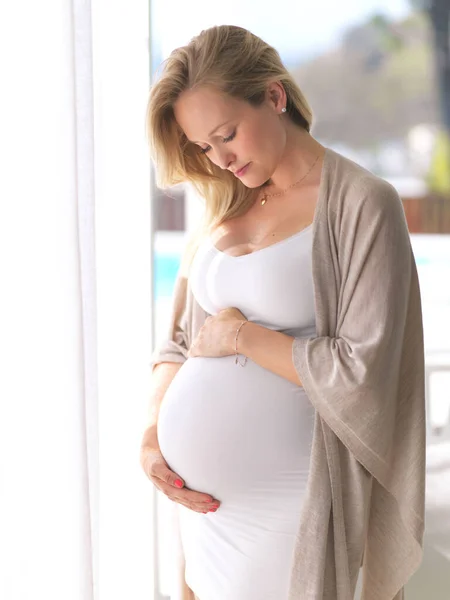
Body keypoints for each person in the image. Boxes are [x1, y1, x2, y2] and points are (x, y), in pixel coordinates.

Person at [140, 25, 426, 600]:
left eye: (227, 135)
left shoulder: (363, 203)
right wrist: (152, 436)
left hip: (294, 507)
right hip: (208, 517)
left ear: (274, 97)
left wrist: (243, 337)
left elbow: (365, 371)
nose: (220, 160)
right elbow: (178, 344)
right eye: (202, 147)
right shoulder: (225, 203)